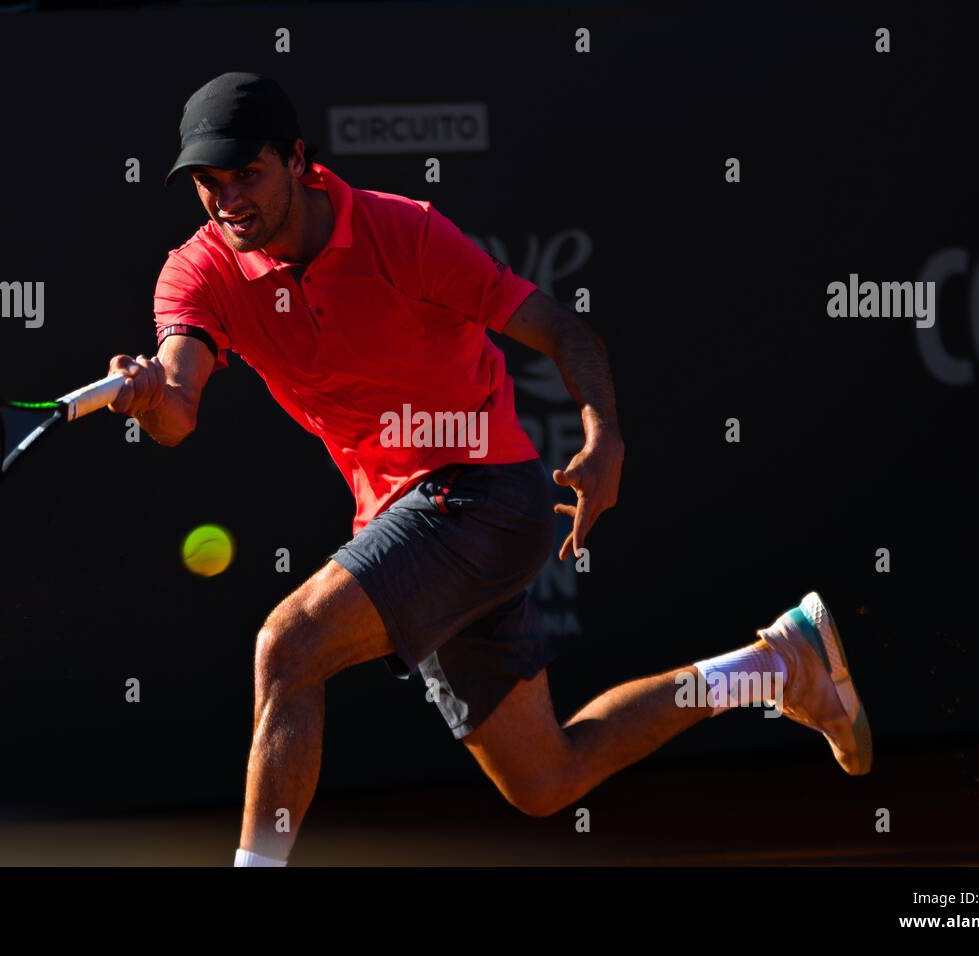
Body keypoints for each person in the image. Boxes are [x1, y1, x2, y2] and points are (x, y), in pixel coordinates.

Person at [106, 72, 872, 867]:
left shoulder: (404, 235)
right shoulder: (197, 270)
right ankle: (773, 666)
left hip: (484, 494)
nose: (227, 199)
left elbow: (563, 330)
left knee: (287, 648)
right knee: (547, 777)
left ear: (300, 161)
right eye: (208, 182)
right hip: (399, 519)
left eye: (247, 174)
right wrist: (150, 394)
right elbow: (179, 410)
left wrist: (605, 436)